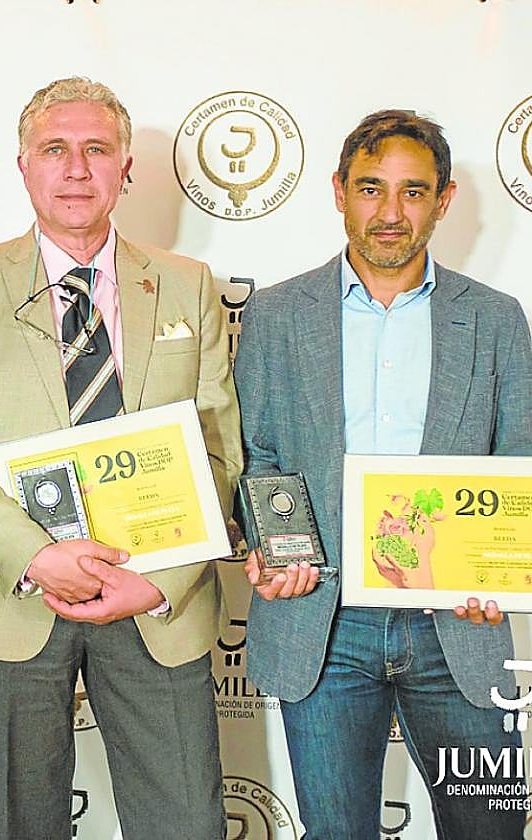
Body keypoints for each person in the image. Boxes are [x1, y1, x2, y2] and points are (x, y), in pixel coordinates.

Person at [0, 76, 241, 840]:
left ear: (127, 168)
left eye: (97, 149)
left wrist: (154, 582)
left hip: (156, 600)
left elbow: (220, 453)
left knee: (186, 824)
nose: (76, 168)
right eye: (54, 149)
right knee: (25, 824)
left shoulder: (190, 288)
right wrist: (35, 556)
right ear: (23, 166)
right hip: (13, 599)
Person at [237, 109, 532, 839]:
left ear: (444, 199)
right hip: (324, 624)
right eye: (371, 189)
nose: (391, 213)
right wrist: (278, 549)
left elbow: (518, 463)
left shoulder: (496, 319)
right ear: (339, 191)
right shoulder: (275, 314)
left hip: (457, 630)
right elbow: (258, 456)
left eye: (412, 191)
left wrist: (498, 572)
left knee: (490, 831)